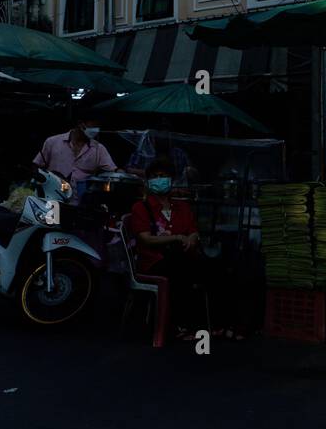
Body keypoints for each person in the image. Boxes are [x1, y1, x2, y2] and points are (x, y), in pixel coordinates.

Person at [128, 158, 237, 342]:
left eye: (163, 176)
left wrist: (192, 239)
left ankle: (219, 324)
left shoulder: (182, 207)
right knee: (181, 272)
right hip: (154, 262)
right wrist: (177, 237)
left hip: (184, 257)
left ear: (171, 180)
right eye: (155, 177)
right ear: (148, 181)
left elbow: (193, 231)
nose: (159, 180)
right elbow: (145, 238)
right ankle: (182, 326)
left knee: (218, 270)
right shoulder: (141, 208)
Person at [33, 122, 117, 203]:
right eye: (93, 126)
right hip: (51, 198)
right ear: (81, 124)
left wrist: (122, 172)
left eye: (98, 126)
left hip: (81, 202)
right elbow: (37, 166)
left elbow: (113, 171)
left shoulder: (99, 148)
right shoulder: (52, 142)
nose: (96, 129)